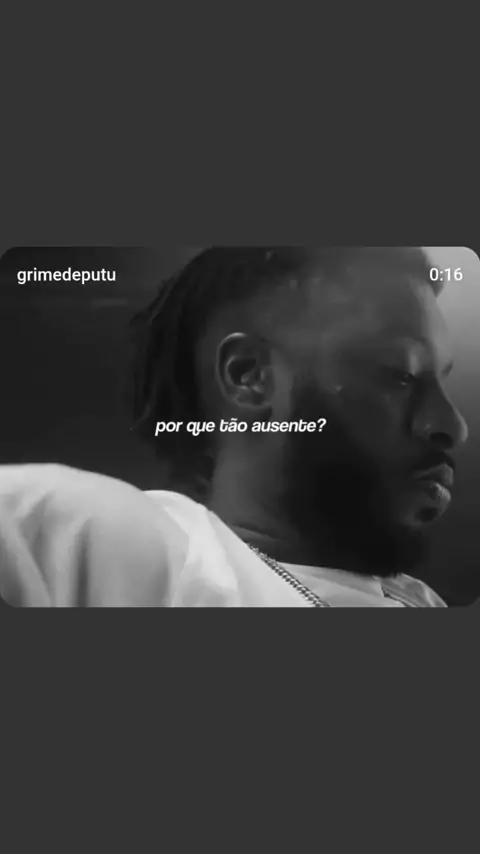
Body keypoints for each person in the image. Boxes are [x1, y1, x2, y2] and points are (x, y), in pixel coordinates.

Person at [0, 247, 468, 607]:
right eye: (400, 374)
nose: (454, 426)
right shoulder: (114, 541)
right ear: (250, 376)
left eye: (441, 381)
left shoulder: (417, 599)